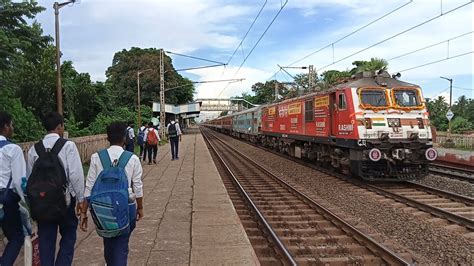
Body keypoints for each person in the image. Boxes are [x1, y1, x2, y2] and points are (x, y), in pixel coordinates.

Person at [80, 122, 144, 266]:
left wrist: (83, 211)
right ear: (125, 138)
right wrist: (140, 207)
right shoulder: (132, 158)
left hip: (102, 208)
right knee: (122, 244)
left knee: (108, 242)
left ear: (108, 138)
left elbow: (89, 186)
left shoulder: (97, 157)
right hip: (126, 207)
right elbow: (138, 187)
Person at [26, 112, 85, 266]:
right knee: (69, 234)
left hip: (42, 202)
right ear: (60, 127)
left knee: (45, 238)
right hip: (64, 200)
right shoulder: (68, 146)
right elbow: (76, 175)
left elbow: (30, 178)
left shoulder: (34, 149)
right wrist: (80, 199)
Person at [0, 111, 26, 266]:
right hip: (6, 199)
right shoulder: (12, 149)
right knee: (16, 237)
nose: (12, 128)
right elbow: (19, 181)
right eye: (11, 125)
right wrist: (26, 206)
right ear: (5, 126)